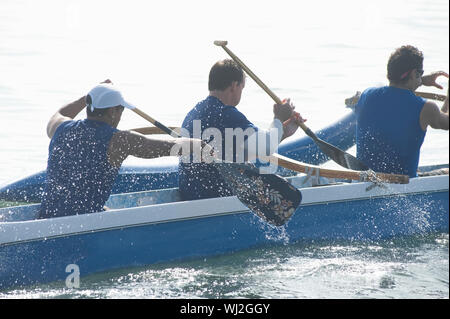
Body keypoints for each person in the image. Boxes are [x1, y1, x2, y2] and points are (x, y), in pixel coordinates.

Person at [39, 80, 209, 219]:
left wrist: (91, 95)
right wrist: (197, 144)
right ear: (113, 111)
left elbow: (59, 112)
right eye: (121, 110)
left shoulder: (60, 128)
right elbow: (167, 147)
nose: (120, 116)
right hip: (84, 224)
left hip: (47, 218)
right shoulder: (119, 140)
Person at [178, 59, 304, 200]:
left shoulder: (193, 113)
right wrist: (279, 118)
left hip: (190, 196)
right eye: (242, 88)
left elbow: (236, 154)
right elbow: (265, 147)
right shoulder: (226, 114)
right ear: (234, 86)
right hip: (215, 199)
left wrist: (282, 132)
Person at [355, 45, 449, 177]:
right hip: (403, 185)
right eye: (419, 73)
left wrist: (419, 80)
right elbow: (446, 123)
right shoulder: (426, 107)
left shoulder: (367, 95)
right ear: (413, 73)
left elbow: (397, 96)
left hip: (365, 181)